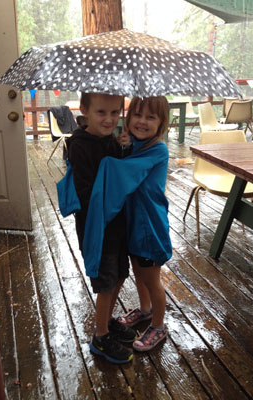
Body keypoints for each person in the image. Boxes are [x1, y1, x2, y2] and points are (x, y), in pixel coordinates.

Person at [83, 96, 172, 352]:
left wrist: (107, 158)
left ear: (161, 123)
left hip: (149, 227)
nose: (142, 122)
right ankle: (144, 310)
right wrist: (122, 145)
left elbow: (125, 171)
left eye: (150, 117)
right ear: (128, 116)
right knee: (137, 272)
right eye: (137, 115)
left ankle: (158, 324)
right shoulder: (135, 144)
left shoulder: (157, 150)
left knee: (151, 278)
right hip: (133, 224)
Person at [66, 92, 136, 364]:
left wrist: (123, 149)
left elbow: (119, 172)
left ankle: (106, 319)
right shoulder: (79, 145)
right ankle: (101, 336)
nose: (109, 119)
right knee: (105, 283)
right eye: (101, 113)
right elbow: (84, 191)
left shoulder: (110, 140)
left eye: (115, 113)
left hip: (117, 223)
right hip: (96, 226)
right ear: (84, 110)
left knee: (119, 273)